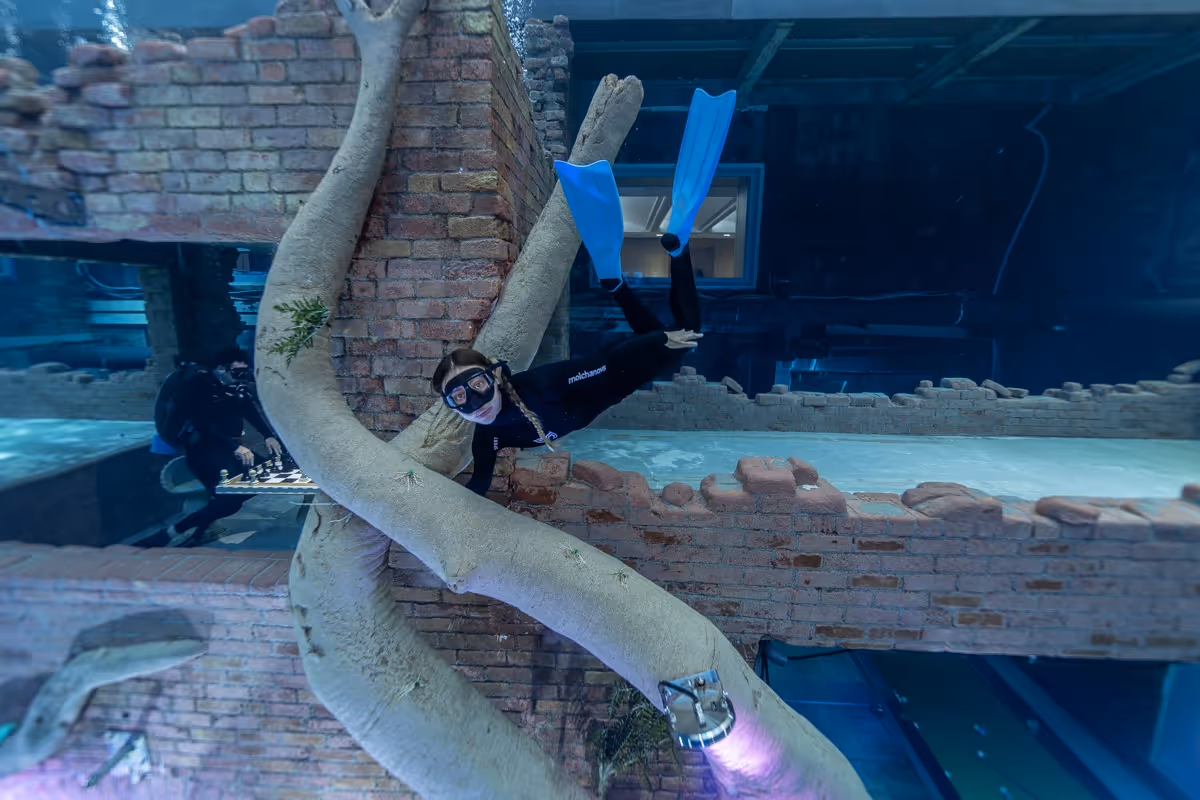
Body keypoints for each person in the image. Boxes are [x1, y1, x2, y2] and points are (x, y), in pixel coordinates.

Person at [433, 88, 736, 498]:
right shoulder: (485, 440)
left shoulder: (537, 386)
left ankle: (676, 246)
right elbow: (480, 483)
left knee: (686, 334)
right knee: (675, 335)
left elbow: (605, 363)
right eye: (459, 397)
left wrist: (659, 340)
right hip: (626, 374)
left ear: (494, 376)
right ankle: (619, 278)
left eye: (476, 385)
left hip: (623, 371)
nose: (475, 403)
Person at [143, 346, 282, 547]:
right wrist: (236, 445)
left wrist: (269, 436)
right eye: (236, 372)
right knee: (229, 501)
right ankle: (174, 533)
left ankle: (200, 528)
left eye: (244, 372)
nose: (240, 377)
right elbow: (203, 424)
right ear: (221, 370)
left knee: (262, 477)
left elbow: (250, 410)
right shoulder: (197, 387)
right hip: (204, 453)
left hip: (230, 450)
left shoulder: (234, 387)